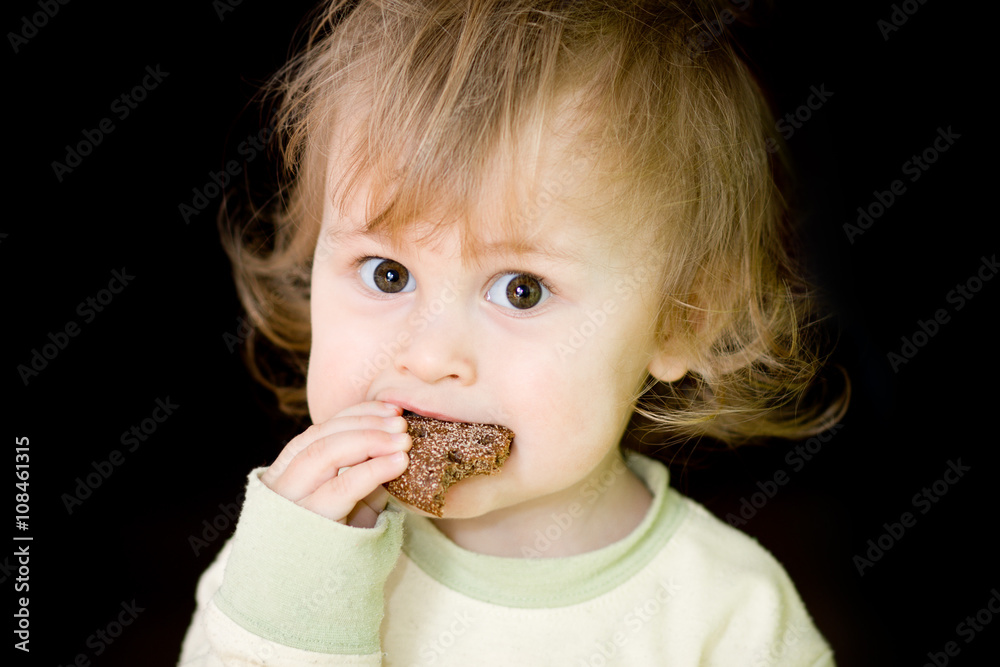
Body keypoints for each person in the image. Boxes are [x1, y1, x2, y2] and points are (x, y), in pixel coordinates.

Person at [180, 1, 848, 664]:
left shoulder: (733, 618)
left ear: (683, 319)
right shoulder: (289, 561)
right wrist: (292, 619)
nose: (429, 355)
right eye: (388, 274)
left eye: (520, 290)